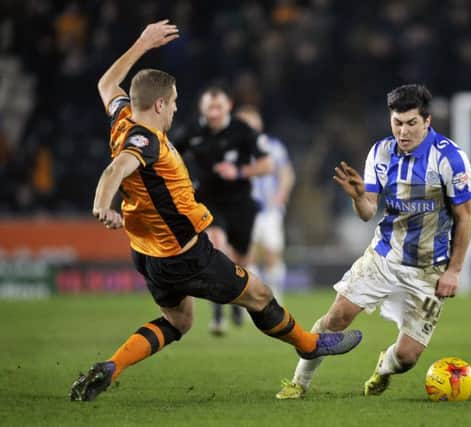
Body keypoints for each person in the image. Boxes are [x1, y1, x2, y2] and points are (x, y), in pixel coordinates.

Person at [70, 20, 362, 402]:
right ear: (159, 104)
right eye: (173, 101)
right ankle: (309, 344)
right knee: (258, 294)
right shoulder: (145, 141)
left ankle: (113, 366)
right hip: (185, 255)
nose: (176, 107)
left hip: (147, 253)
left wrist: (141, 43)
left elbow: (107, 84)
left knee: (179, 321)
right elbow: (116, 169)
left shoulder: (123, 119)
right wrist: (100, 205)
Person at [276, 84, 471, 399]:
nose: (403, 131)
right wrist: (358, 198)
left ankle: (384, 367)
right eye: (397, 122)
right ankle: (298, 382)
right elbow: (368, 211)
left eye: (411, 123)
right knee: (337, 317)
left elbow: (465, 216)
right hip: (384, 257)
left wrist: (454, 271)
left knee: (407, 358)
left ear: (427, 121)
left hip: (428, 269)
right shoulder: (381, 152)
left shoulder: (451, 159)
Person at [174, 84, 271, 336]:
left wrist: (238, 172)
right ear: (202, 109)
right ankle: (218, 316)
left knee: (242, 259)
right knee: (217, 247)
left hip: (240, 202)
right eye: (209, 108)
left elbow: (266, 164)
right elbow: (169, 154)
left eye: (218, 107)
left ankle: (238, 304)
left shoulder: (243, 131)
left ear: (228, 106)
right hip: (208, 203)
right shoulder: (192, 131)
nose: (214, 112)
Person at [236, 105, 295, 302]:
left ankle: (275, 298)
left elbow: (286, 173)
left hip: (269, 210)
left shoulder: (273, 146)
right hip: (244, 211)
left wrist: (281, 194)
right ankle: (252, 300)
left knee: (272, 254)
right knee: (247, 256)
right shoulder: (234, 149)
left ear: (259, 124)